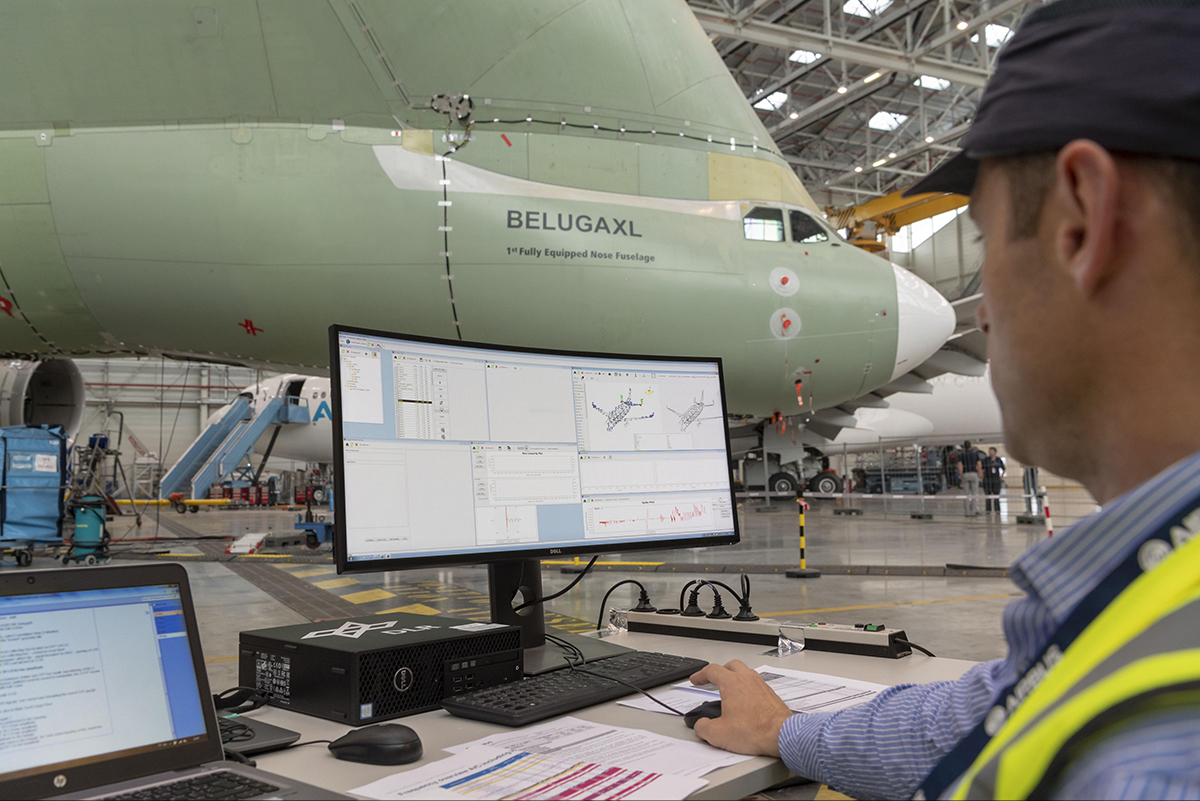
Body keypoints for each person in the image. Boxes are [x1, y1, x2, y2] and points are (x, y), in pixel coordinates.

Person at [687, 1, 1200, 798]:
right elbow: (1001, 704)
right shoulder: (1153, 599)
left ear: (1081, 223)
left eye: (990, 239)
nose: (986, 310)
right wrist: (787, 731)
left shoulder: (1146, 753)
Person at [959, 440, 984, 516]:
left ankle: (967, 512)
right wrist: (980, 474)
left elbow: (960, 466)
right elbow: (979, 465)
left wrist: (961, 475)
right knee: (974, 494)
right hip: (973, 474)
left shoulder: (961, 455)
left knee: (966, 494)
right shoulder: (975, 454)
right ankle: (973, 511)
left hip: (965, 474)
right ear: (971, 446)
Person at [982, 448, 1006, 513]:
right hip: (988, 479)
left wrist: (1001, 476)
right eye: (989, 451)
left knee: (996, 495)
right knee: (988, 495)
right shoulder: (986, 460)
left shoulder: (998, 460)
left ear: (995, 452)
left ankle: (997, 509)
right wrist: (982, 476)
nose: (990, 453)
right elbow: (982, 468)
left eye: (992, 451)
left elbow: (1003, 468)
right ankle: (988, 509)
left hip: (996, 479)